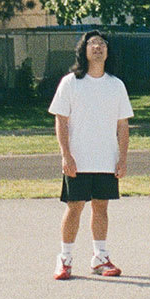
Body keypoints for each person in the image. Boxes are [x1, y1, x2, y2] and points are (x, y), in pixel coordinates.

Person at [48, 30, 133, 280]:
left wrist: (122, 158)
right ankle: (64, 259)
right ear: (83, 50)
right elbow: (61, 121)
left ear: (107, 52)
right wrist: (66, 155)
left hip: (106, 159)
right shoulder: (71, 83)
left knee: (101, 207)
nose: (98, 47)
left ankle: (100, 257)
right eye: (92, 43)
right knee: (74, 208)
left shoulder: (116, 85)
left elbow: (123, 125)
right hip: (78, 159)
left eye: (102, 44)